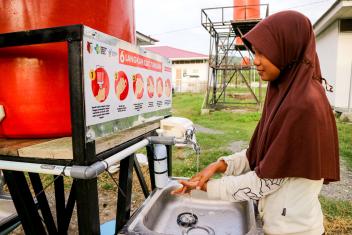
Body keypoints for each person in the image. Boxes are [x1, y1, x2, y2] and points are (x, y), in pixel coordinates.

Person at [172, 10, 340, 235]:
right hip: (282, 221)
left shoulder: (303, 105)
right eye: (254, 52)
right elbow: (263, 153)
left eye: (264, 52)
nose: (256, 61)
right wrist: (220, 165)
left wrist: (207, 188)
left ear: (286, 48)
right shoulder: (286, 91)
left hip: (294, 230)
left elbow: (266, 181)